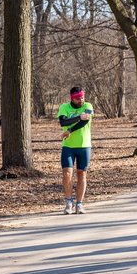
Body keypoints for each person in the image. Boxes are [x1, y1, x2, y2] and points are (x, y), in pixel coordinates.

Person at [58, 86, 94, 215]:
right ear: (72, 99)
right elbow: (63, 122)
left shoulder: (88, 106)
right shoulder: (64, 107)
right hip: (68, 146)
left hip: (84, 146)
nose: (81, 100)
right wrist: (79, 117)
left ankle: (79, 204)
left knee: (81, 174)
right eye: (78, 98)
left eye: (82, 97)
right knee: (67, 174)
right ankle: (68, 202)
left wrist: (70, 130)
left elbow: (84, 122)